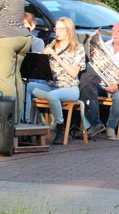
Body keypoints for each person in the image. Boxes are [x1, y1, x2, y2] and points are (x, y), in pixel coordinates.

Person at [26, 17, 86, 145]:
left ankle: (60, 127)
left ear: (69, 31)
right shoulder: (52, 45)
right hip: (51, 86)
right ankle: (25, 123)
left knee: (52, 95)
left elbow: (74, 73)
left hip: (69, 88)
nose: (57, 32)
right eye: (56, 28)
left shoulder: (77, 48)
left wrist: (55, 56)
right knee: (26, 86)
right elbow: (39, 68)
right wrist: (42, 59)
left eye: (60, 29)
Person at [79, 21, 119, 140]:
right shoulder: (106, 46)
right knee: (83, 87)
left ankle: (111, 127)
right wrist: (93, 56)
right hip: (103, 83)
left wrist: (118, 86)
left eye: (118, 32)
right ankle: (95, 123)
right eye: (113, 31)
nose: (115, 34)